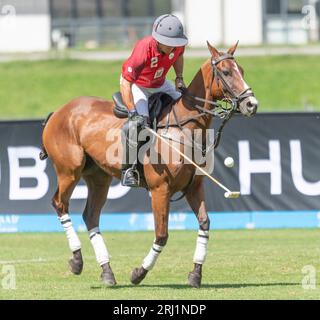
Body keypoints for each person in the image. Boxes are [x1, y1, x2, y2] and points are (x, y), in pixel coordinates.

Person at [119, 14, 188, 187]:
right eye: (169, 43)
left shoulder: (178, 46)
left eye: (176, 44)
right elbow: (126, 82)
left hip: (161, 83)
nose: (174, 47)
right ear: (158, 39)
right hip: (139, 85)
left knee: (187, 108)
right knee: (138, 125)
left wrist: (179, 77)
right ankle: (129, 169)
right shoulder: (144, 49)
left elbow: (179, 56)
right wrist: (132, 111)